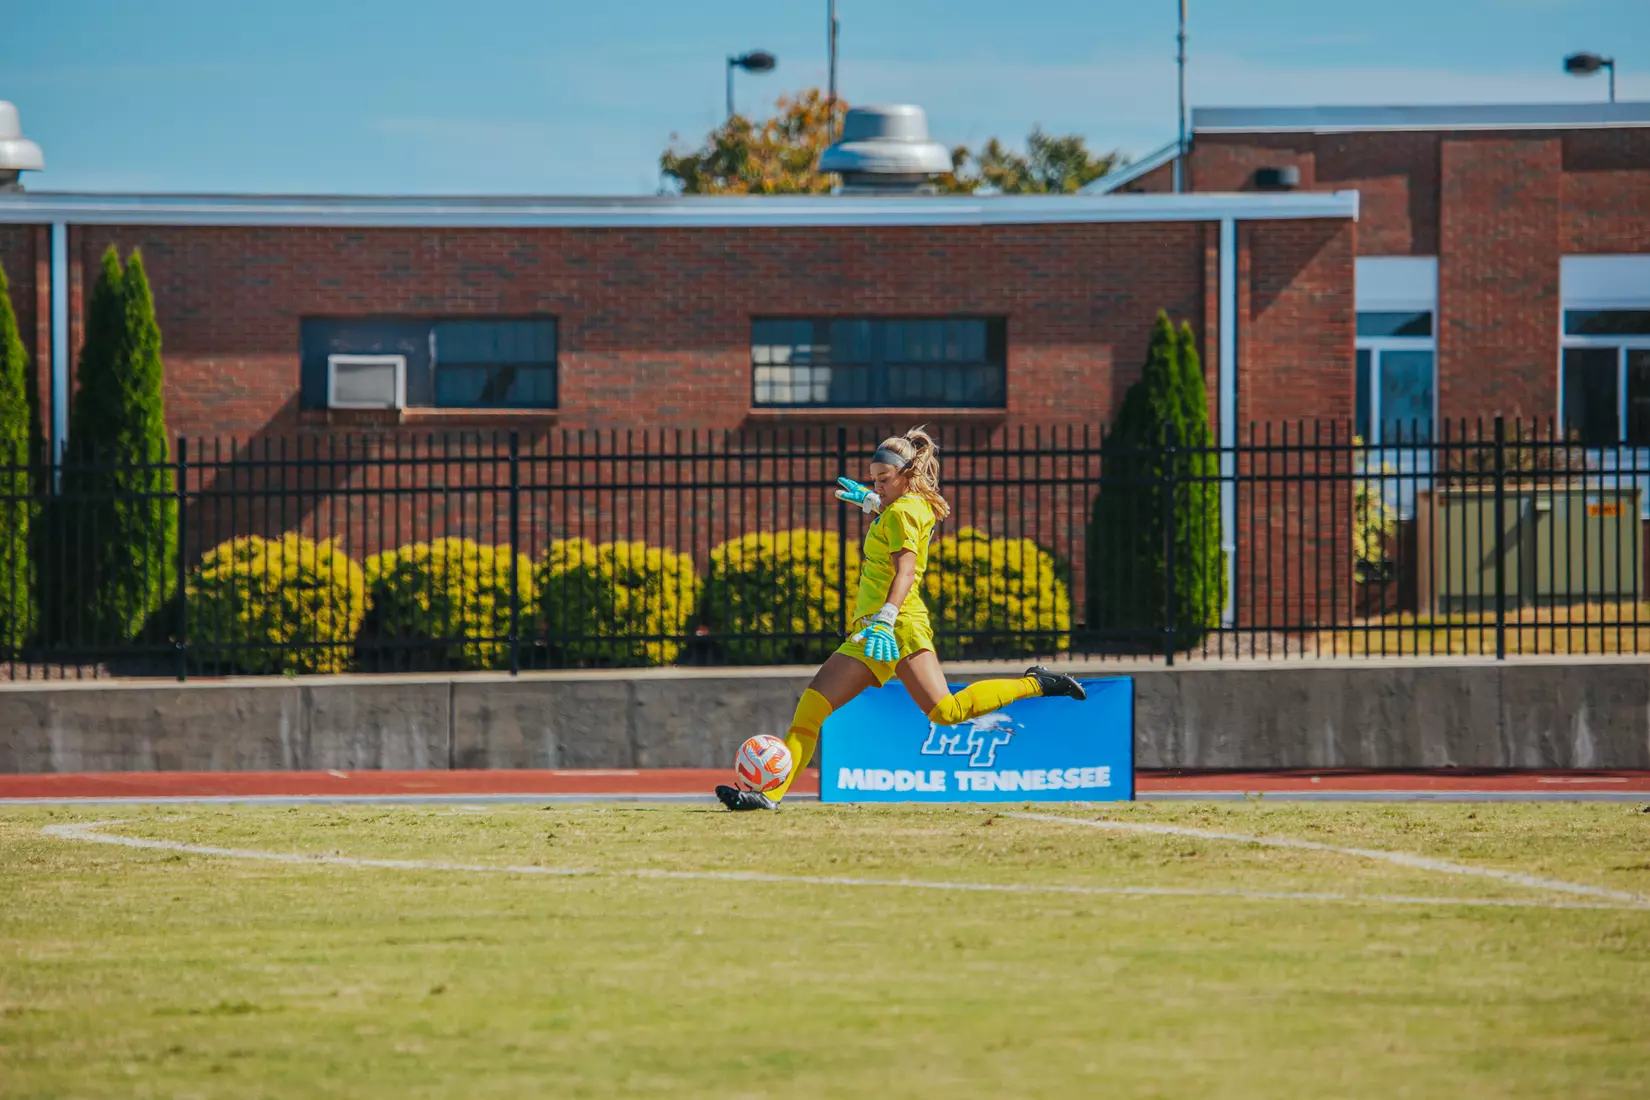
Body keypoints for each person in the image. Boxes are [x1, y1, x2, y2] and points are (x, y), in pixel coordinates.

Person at [716, 427, 1086, 812]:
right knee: (810, 711)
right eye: (873, 478)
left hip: (897, 626)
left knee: (947, 712)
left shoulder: (904, 512)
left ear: (907, 474)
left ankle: (1038, 683)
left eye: (883, 479)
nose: (876, 485)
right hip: (871, 631)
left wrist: (886, 618)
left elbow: (905, 572)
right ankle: (768, 797)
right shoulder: (902, 507)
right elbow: (900, 514)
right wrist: (875, 503)